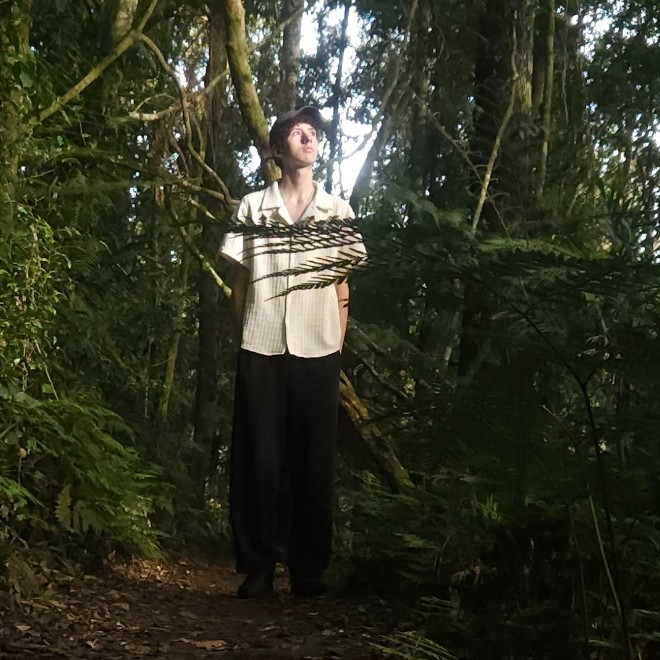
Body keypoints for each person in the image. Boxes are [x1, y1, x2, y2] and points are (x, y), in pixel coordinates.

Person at [220, 106, 366, 599]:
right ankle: (258, 568)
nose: (309, 139)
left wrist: (336, 344)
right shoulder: (252, 207)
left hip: (319, 348)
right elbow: (239, 283)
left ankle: (309, 570)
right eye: (297, 132)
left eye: (313, 133)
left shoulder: (337, 212)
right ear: (277, 149)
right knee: (257, 457)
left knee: (314, 459)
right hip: (260, 345)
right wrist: (248, 334)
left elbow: (342, 287)